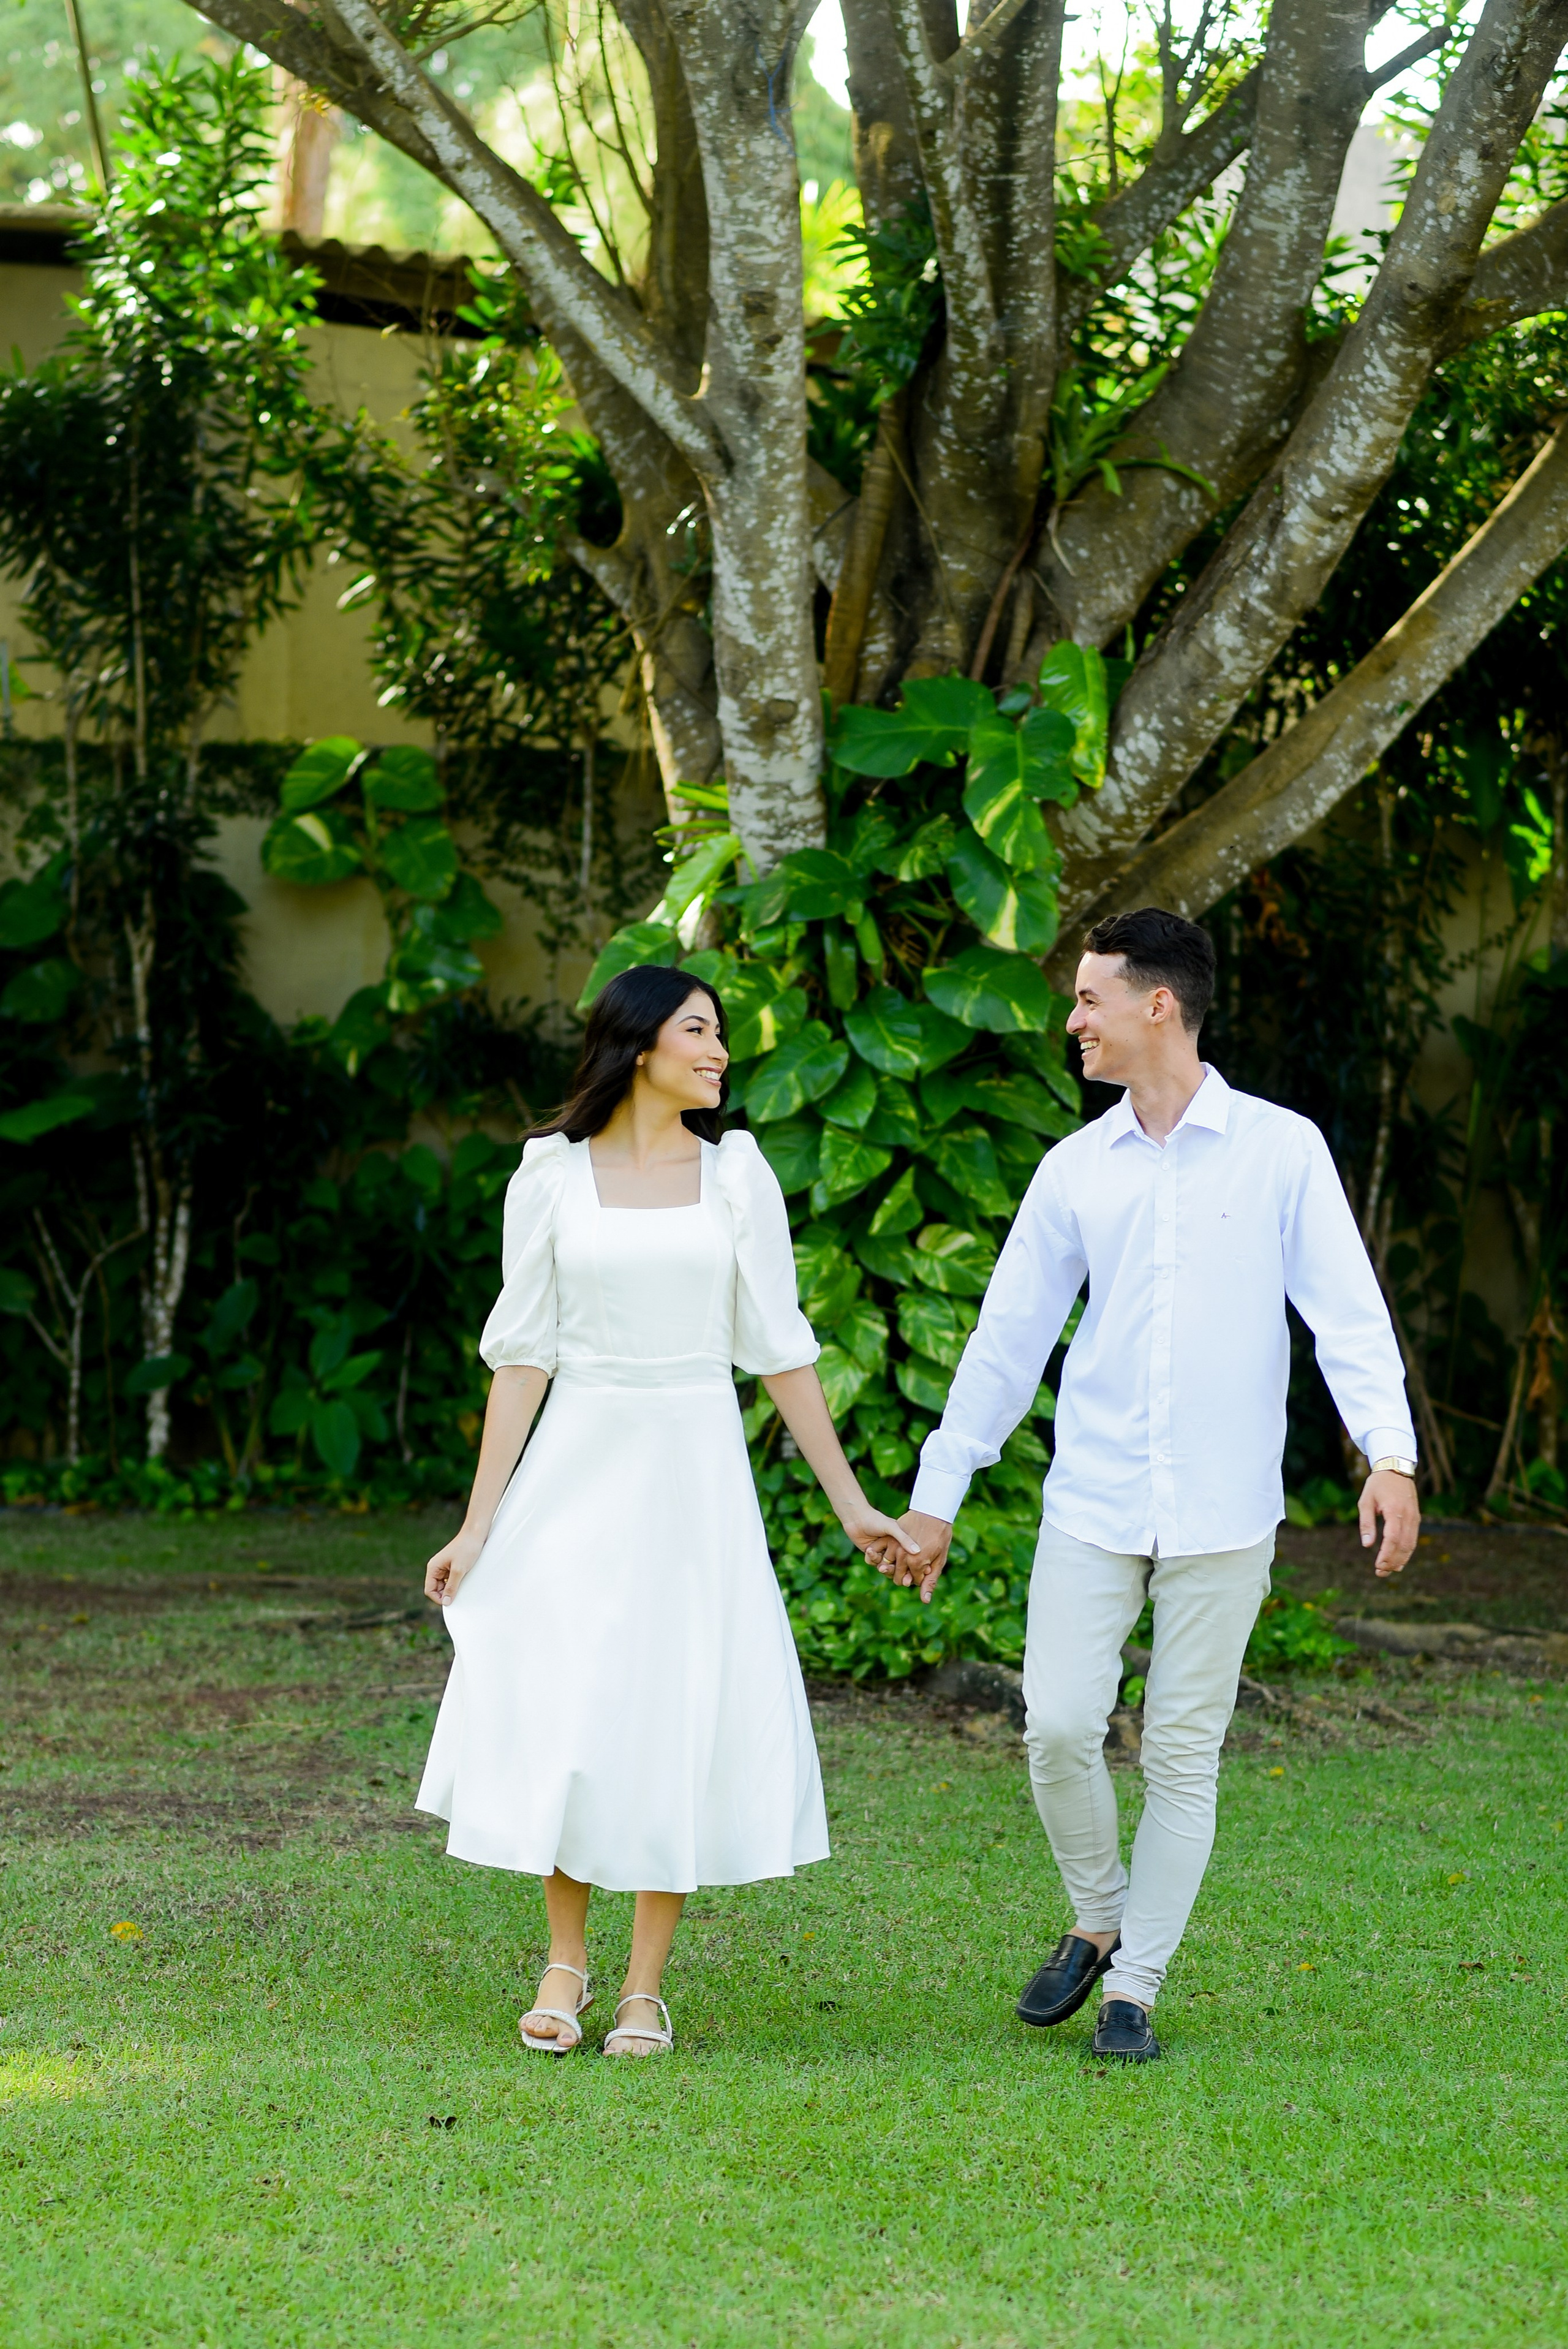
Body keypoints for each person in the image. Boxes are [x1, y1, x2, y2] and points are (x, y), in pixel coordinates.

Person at [869, 907, 1419, 2063]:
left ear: (1156, 1004)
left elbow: (1347, 1314)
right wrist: (937, 1492)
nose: (1073, 1020)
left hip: (1226, 1507)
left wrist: (1390, 1454)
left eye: (1088, 998)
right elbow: (1007, 1339)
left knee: (1181, 1750)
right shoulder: (1075, 1169)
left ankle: (1135, 1986)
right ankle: (1099, 1914)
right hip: (1095, 1496)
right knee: (1060, 1724)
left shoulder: (1282, 1150)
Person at [417, 965, 917, 2057]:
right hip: (577, 1463)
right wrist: (477, 1523)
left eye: (722, 1032)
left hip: (694, 1470)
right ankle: (565, 1959)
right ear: (640, 1044)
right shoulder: (549, 1175)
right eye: (699, 1029)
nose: (720, 1050)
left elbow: (780, 1348)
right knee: (573, 1701)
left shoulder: (737, 1175)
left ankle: (645, 1985)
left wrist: (852, 1503)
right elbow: (522, 1358)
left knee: (674, 1706)